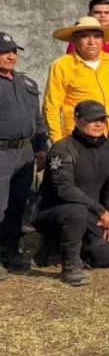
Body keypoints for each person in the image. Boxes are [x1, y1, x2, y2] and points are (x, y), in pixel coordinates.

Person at [32, 101, 109, 286]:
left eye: (102, 119)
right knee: (76, 211)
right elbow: (64, 189)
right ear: (77, 121)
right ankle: (70, 264)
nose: (98, 124)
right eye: (91, 120)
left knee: (107, 257)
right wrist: (100, 211)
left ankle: (75, 248)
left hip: (91, 212)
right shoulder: (62, 149)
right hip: (55, 211)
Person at [45, 16, 109, 148]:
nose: (92, 41)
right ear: (75, 40)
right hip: (80, 140)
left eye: (97, 36)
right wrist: (57, 140)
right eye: (85, 36)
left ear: (102, 40)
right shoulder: (61, 65)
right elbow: (51, 106)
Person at [0, 32, 49, 277]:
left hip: (25, 152)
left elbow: (37, 119)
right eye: (3, 52)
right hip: (1, 153)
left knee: (17, 204)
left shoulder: (27, 83)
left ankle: (10, 250)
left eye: (13, 51)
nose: (10, 56)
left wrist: (41, 145)